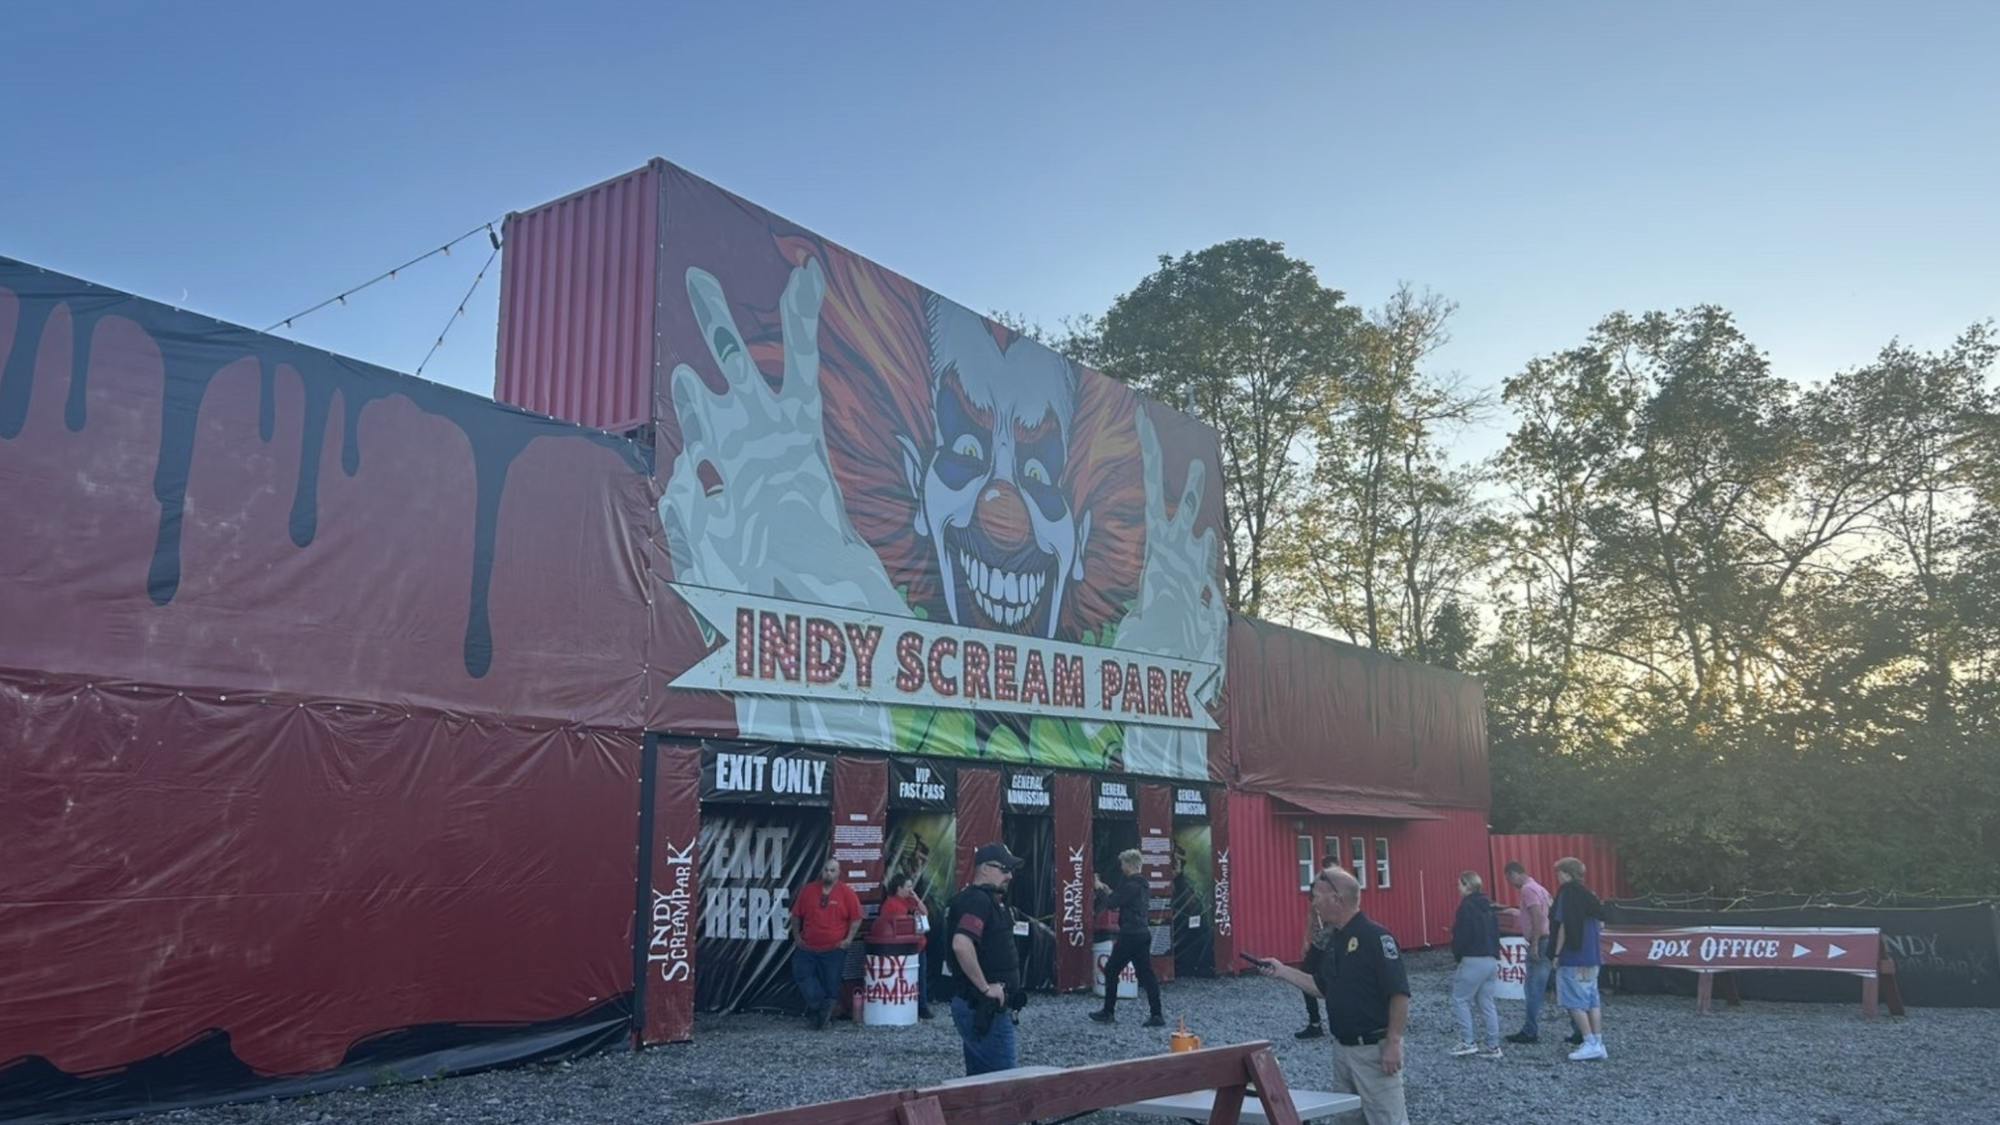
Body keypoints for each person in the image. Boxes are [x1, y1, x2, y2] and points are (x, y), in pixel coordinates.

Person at [1248, 867, 1410, 1125]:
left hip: (1374, 1052)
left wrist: (1393, 1042)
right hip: (1342, 1050)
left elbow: (1399, 993)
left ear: (1337, 899)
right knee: (1346, 1120)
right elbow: (1321, 988)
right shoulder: (1335, 940)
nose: (1313, 904)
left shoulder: (1375, 937)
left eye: (1317, 897)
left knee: (1387, 1119)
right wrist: (1281, 971)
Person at [946, 842, 1028, 1075]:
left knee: (980, 1082)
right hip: (984, 1006)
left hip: (982, 1005)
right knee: (1004, 1084)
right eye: (1004, 870)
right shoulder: (978, 900)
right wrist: (985, 988)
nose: (1009, 876)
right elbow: (961, 944)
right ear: (984, 869)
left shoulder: (984, 901)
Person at [1088, 848, 1165, 1027]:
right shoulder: (1142, 885)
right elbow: (1119, 897)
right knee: (1147, 974)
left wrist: (1099, 888)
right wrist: (1105, 888)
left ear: (1129, 865)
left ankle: (1108, 1012)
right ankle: (1157, 1013)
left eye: (1123, 864)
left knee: (1111, 970)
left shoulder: (1131, 885)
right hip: (1142, 933)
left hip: (1130, 935)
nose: (1121, 867)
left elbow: (1113, 902)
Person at [788, 856, 862, 1030]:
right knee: (801, 973)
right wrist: (797, 937)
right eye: (826, 870)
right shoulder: (808, 890)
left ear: (839, 873)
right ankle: (823, 1008)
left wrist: (848, 940)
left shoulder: (847, 893)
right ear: (822, 871)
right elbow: (796, 916)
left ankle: (823, 1018)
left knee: (831, 984)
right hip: (808, 946)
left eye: (832, 870)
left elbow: (856, 918)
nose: (828, 873)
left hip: (834, 948)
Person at [1548, 856, 1607, 1061]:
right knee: (1592, 1000)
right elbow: (1600, 923)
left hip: (1574, 956)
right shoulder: (1590, 895)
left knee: (1574, 1001)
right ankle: (1598, 1041)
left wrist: (1556, 953)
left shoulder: (1568, 894)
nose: (1557, 877)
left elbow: (1564, 925)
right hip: (1592, 955)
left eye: (1558, 873)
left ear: (1566, 873)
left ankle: (1589, 1041)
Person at [1447, 871, 1503, 1059]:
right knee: (1486, 1002)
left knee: (1460, 999)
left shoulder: (1466, 907)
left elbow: (1463, 934)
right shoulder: (1488, 906)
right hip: (1491, 958)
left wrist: (1457, 953)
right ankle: (1493, 1045)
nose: (1458, 888)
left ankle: (1467, 1041)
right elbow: (1496, 932)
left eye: (1460, 885)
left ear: (1467, 886)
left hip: (1473, 958)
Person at [1499, 859, 1553, 1044]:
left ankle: (1530, 1031)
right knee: (1555, 985)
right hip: (1548, 939)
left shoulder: (1527, 890)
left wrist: (1535, 943)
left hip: (1540, 940)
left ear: (1514, 874)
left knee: (1533, 988)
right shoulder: (1539, 888)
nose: (1510, 884)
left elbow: (1537, 915)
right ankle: (1579, 1029)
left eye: (1509, 879)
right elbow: (1547, 911)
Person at [869, 873, 934, 1019]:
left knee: (921, 977)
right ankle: (915, 1005)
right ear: (899, 888)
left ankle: (922, 1005)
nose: (911, 890)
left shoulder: (910, 900)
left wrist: (916, 898)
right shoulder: (891, 904)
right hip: (904, 948)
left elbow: (925, 913)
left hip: (918, 945)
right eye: (908, 887)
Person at [1295, 862, 1336, 1039]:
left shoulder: (1339, 892)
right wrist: (1306, 939)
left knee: (1335, 981)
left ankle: (1339, 1022)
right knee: (1305, 976)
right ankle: (1315, 1023)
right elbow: (1311, 914)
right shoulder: (1318, 889)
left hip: (1333, 944)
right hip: (1319, 944)